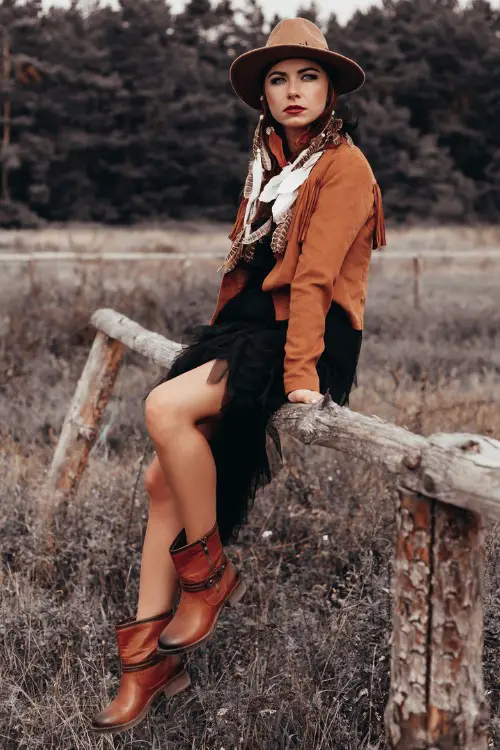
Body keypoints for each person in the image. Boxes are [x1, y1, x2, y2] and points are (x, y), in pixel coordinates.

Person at [91, 17, 386, 735]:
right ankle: (147, 667)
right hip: (246, 332)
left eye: (307, 77)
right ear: (263, 95)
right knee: (165, 480)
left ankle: (210, 576)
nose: (292, 91)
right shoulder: (272, 161)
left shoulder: (344, 167)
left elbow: (313, 280)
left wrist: (300, 374)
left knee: (164, 411)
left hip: (303, 341)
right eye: (278, 80)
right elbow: (248, 269)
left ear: (330, 89)